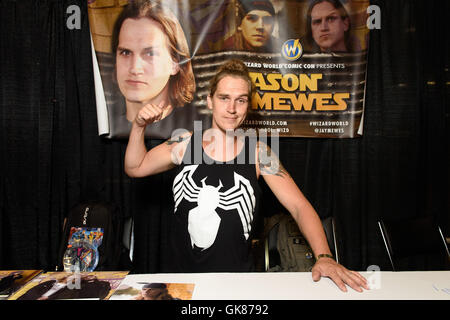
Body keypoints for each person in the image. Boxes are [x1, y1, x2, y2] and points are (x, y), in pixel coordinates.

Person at [124, 59, 369, 293]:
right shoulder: (184, 143)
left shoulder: (258, 153)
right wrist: (138, 127)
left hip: (237, 281)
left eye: (240, 100)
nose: (232, 109)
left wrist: (325, 257)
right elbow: (135, 167)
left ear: (247, 105)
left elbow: (298, 206)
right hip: (181, 282)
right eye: (224, 98)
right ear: (210, 101)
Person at [109, 0, 209, 138]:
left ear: (175, 64)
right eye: (125, 52)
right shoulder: (101, 124)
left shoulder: (202, 130)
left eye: (150, 54)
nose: (135, 68)